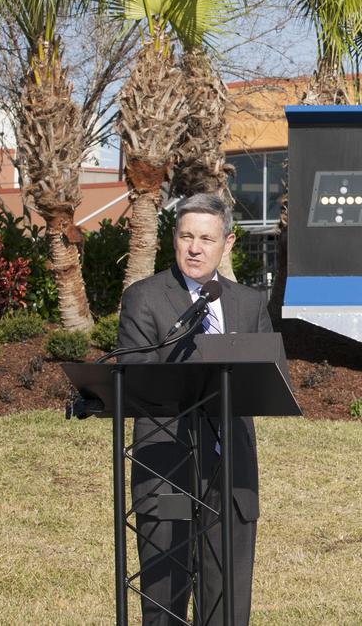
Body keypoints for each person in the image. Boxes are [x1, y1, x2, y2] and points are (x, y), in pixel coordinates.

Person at [119, 193, 271, 626]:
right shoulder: (145, 299)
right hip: (167, 465)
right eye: (186, 236)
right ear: (174, 239)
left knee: (228, 607)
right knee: (164, 603)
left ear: (228, 244)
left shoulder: (249, 303)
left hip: (231, 473)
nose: (195, 247)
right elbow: (135, 376)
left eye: (206, 238)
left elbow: (268, 378)